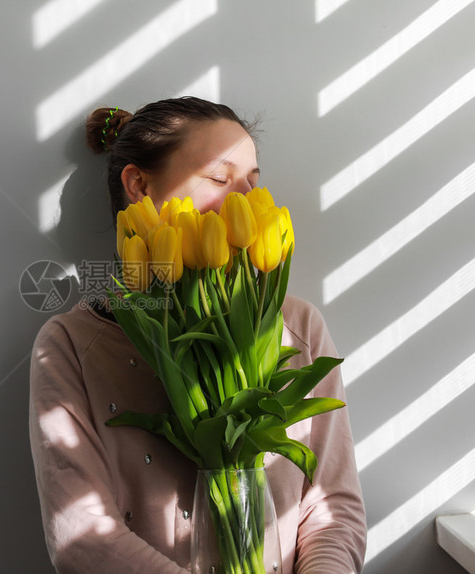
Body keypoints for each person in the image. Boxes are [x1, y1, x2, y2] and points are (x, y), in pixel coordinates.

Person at [29, 97, 366, 573]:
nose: (246, 200)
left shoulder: (297, 325)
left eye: (252, 181)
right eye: (219, 177)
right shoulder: (69, 343)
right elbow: (81, 535)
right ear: (139, 185)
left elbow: (333, 510)